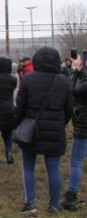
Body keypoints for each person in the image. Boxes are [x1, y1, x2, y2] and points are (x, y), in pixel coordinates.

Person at [14, 46, 73, 214]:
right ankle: (54, 204)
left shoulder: (28, 79)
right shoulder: (63, 81)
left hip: (31, 131)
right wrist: (60, 124)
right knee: (53, 168)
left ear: (36, 61)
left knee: (28, 167)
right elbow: (69, 108)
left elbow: (20, 107)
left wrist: (17, 124)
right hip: (55, 130)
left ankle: (29, 203)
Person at [63, 54, 87, 210]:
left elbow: (71, 90)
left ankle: (71, 198)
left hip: (84, 128)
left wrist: (75, 72)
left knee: (76, 162)